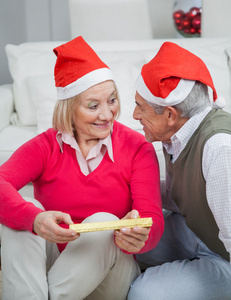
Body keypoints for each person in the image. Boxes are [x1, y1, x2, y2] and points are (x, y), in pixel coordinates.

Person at [0, 36, 164, 300]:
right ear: (69, 109)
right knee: (19, 216)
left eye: (112, 100)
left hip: (111, 272)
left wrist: (140, 234)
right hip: (55, 268)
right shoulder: (45, 146)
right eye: (93, 106)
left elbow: (153, 221)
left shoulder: (138, 148)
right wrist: (33, 219)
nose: (108, 114)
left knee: (104, 222)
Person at [128, 42, 231, 300]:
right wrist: (128, 188)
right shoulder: (176, 133)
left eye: (141, 106)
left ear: (170, 114)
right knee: (121, 242)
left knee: (144, 294)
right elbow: (184, 195)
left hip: (225, 256)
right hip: (196, 231)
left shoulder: (220, 148)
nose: (134, 114)